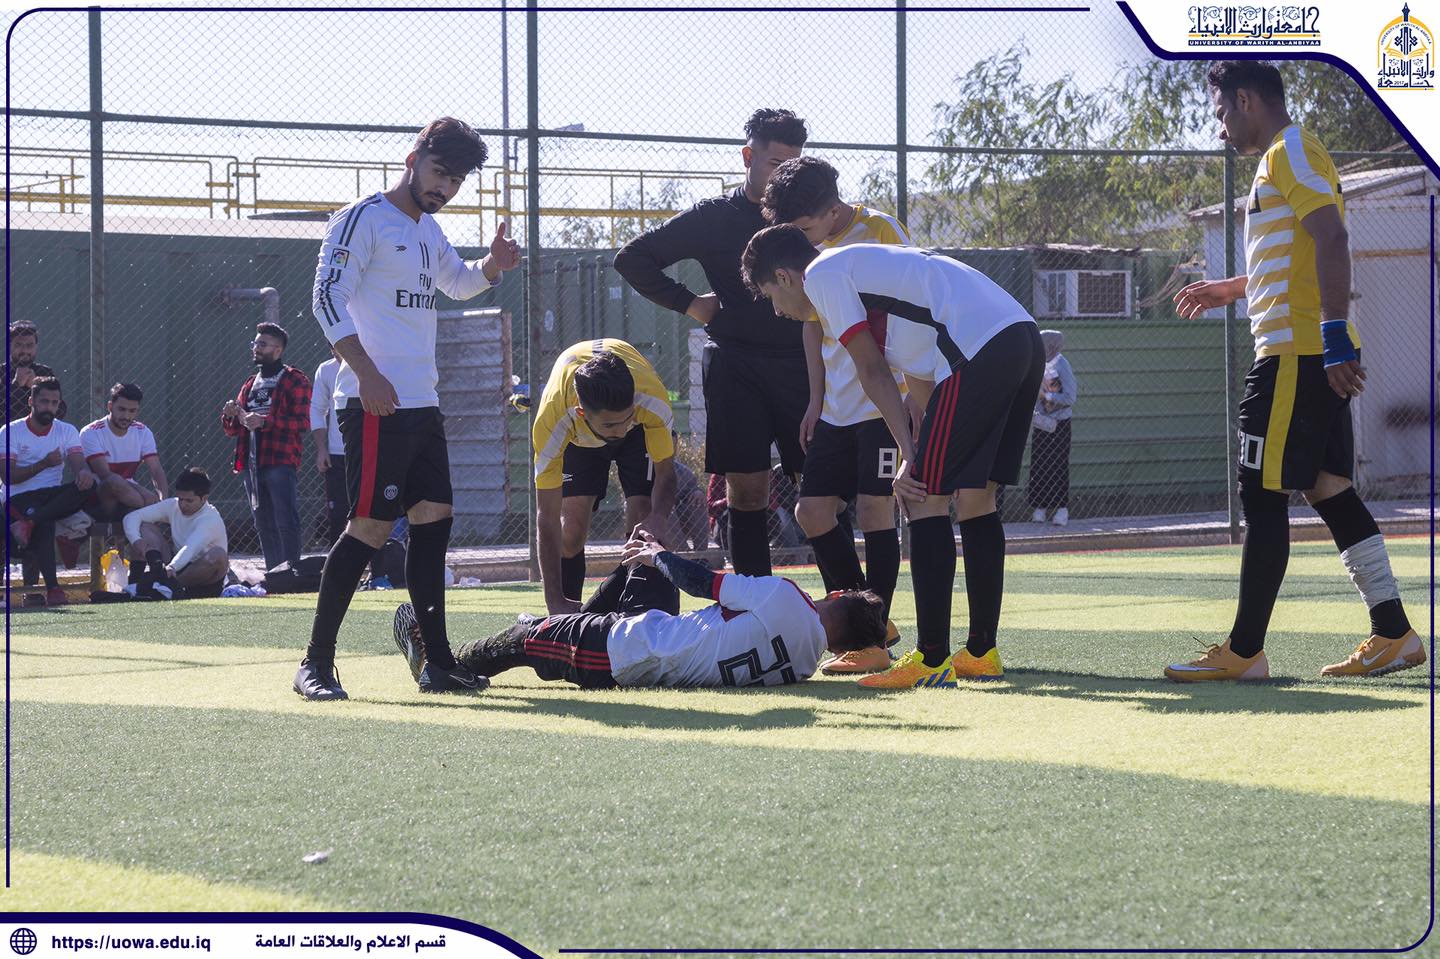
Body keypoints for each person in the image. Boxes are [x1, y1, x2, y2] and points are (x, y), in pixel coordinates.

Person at [1166, 60, 1424, 681]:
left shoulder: (1291, 150)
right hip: (1307, 350)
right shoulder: (1281, 158)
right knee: (1328, 487)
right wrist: (1232, 289)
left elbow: (1332, 237)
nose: (1220, 128)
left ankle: (1244, 651)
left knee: (1261, 494)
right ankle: (1394, 633)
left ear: (1246, 100)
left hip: (1297, 355)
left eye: (1222, 112)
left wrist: (1332, 337)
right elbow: (1299, 252)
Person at [742, 227, 1043, 688]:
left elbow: (872, 370)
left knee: (923, 499)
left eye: (770, 296)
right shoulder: (866, 273)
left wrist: (911, 458)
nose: (778, 310)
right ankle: (981, 654)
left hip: (978, 350)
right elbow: (919, 371)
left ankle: (932, 659)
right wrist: (913, 455)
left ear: (784, 277)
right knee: (977, 499)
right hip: (1020, 338)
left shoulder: (822, 275)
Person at [298, 116, 522, 700]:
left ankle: (439, 663)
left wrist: (492, 266)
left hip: (423, 402)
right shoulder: (362, 218)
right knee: (369, 529)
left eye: (456, 180)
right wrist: (366, 374)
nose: (445, 188)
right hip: (374, 404)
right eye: (439, 172)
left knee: (433, 520)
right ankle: (315, 664)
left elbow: (459, 283)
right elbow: (325, 299)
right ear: (412, 159)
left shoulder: (429, 230)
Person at [614, 109, 809, 578]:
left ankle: (848, 607)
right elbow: (632, 258)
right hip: (735, 368)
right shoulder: (714, 217)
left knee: (824, 493)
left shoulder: (808, 216)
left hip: (804, 365)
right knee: (747, 493)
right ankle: (751, 603)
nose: (783, 176)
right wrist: (692, 304)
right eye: (774, 163)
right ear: (747, 157)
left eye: (793, 165)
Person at [391, 530, 887, 690]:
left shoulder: (786, 596)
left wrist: (661, 554)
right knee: (644, 564)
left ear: (839, 595)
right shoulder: (805, 664)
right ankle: (562, 624)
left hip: (629, 653)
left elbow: (702, 582)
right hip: (661, 634)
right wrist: (655, 557)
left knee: (523, 641)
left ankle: (441, 665)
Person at [761, 155, 909, 674]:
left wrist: (912, 400)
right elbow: (810, 323)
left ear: (831, 209)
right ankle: (863, 623)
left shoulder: (882, 232)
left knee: (874, 511)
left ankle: (871, 635)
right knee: (813, 513)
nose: (801, 241)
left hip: (881, 404)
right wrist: (815, 400)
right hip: (836, 411)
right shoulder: (808, 248)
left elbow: (910, 313)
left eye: (804, 229)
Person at [532, 340, 677, 614]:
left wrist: (659, 517)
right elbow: (546, 516)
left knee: (643, 523)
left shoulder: (651, 402)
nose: (620, 432)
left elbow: (665, 474)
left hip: (640, 430)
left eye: (625, 419)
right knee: (570, 532)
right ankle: (567, 620)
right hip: (578, 438)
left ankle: (638, 614)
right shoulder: (553, 420)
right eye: (611, 425)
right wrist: (553, 600)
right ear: (581, 413)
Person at [220, 322, 312, 572]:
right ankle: (274, 572)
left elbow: (302, 422)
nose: (256, 348)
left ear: (278, 350)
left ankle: (292, 572)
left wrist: (264, 421)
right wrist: (231, 414)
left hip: (280, 460)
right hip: (251, 462)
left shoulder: (295, 379)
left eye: (262, 344)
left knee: (285, 519)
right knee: (263, 523)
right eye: (255, 343)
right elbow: (232, 430)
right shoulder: (251, 383)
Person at [3, 377, 94, 606]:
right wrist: (43, 463)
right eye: (44, 401)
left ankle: (30, 522)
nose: (49, 407)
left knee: (90, 486)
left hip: (52, 497)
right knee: (45, 522)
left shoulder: (67, 430)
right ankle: (53, 589)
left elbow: (78, 463)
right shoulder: (10, 431)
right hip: (18, 498)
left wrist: (83, 473)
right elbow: (8, 477)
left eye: (54, 403)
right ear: (31, 401)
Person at [121, 466, 229, 598]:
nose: (183, 504)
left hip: (202, 576)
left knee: (218, 555)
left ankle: (166, 586)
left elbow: (190, 548)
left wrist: (172, 567)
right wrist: (136, 540)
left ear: (204, 498)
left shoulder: (210, 519)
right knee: (144, 525)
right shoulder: (173, 505)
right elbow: (132, 517)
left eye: (189, 500)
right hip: (174, 568)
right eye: (180, 499)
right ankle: (138, 583)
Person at [81, 382, 168, 522]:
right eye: (121, 409)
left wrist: (164, 501)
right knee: (113, 481)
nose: (126, 416)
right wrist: (146, 499)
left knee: (147, 527)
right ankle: (151, 510)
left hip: (130, 497)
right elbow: (105, 475)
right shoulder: (91, 432)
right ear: (110, 407)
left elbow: (156, 469)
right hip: (98, 499)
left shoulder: (143, 432)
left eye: (132, 411)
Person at [1027, 330, 1076, 527]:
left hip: (1059, 424)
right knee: (1039, 464)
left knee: (1058, 465)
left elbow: (1070, 397)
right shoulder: (1039, 363)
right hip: (1042, 423)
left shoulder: (1062, 364)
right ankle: (1040, 507)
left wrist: (1047, 397)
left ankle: (1062, 509)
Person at [309, 348, 349, 546]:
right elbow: (317, 409)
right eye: (332, 346)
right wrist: (322, 449)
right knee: (338, 514)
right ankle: (340, 564)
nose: (335, 351)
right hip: (337, 455)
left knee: (371, 513)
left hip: (369, 452)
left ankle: (378, 566)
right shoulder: (325, 370)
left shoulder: (373, 364)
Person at [8, 321, 65, 421]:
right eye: (18, 345)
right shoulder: (2, 373)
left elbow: (60, 411)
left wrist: (37, 388)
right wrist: (16, 385)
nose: (25, 350)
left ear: (36, 347)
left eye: (30, 345)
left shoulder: (44, 372)